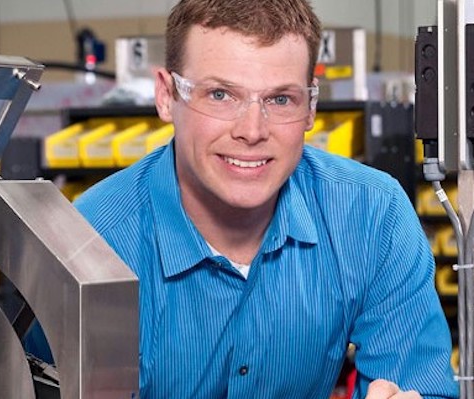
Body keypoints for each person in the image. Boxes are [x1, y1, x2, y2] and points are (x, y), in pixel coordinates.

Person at [72, 0, 459, 397]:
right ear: (167, 96)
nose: (252, 131)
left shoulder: (372, 215)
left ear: (311, 107)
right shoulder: (88, 241)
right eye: (220, 94)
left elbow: (418, 383)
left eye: (280, 99)